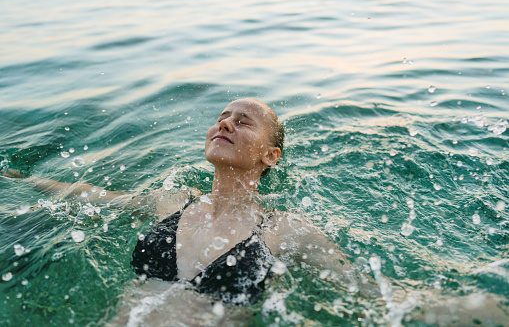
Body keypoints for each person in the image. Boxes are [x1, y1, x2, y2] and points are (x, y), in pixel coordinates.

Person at [1, 97, 351, 306]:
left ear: (271, 156)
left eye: (242, 122)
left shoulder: (283, 229)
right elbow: (90, 196)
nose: (225, 124)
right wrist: (23, 180)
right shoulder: (173, 203)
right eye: (221, 119)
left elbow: (364, 293)